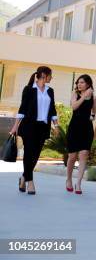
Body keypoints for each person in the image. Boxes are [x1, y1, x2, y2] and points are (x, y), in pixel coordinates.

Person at [9, 66, 58, 195]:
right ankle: (30, 182)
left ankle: (23, 178)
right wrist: (15, 127)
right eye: (50, 75)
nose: (51, 78)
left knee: (35, 156)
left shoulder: (50, 91)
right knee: (29, 153)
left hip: (43, 127)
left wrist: (56, 125)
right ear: (43, 75)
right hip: (29, 126)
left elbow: (52, 109)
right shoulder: (29, 89)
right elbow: (22, 108)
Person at [65, 74, 96, 195]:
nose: (79, 84)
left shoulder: (94, 97)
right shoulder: (75, 95)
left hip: (87, 128)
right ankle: (68, 179)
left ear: (88, 84)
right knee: (72, 156)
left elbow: (94, 111)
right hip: (74, 128)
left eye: (82, 82)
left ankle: (78, 183)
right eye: (78, 82)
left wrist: (92, 116)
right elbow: (74, 107)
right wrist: (84, 96)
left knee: (84, 154)